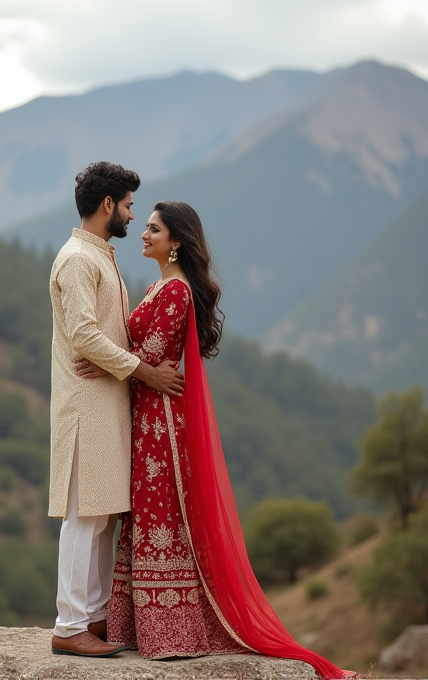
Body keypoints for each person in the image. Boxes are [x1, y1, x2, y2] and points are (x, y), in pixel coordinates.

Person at [75, 201, 356, 678]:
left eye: (153, 229)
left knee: (158, 513)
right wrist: (110, 362)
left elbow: (151, 361)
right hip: (145, 417)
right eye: (143, 226)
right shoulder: (160, 285)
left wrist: (104, 364)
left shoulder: (175, 292)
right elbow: (143, 362)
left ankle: (171, 631)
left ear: (176, 241)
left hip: (160, 423)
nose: (143, 234)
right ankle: (136, 625)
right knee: (143, 513)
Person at [48, 164, 185, 658]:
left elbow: (105, 335)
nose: (131, 215)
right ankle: (69, 624)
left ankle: (96, 615)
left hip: (106, 401)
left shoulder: (97, 256)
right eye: (128, 205)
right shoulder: (78, 260)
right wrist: (145, 372)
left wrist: (125, 368)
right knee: (86, 514)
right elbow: (84, 333)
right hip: (86, 405)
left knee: (104, 512)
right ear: (108, 205)